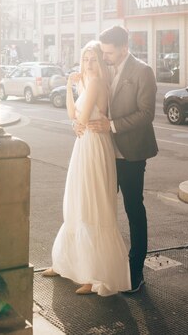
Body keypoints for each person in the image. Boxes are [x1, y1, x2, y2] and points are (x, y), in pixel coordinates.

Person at [42, 41, 131, 296]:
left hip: (93, 146)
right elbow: (73, 116)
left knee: (91, 205)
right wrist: (71, 88)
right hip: (85, 144)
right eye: (85, 59)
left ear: (100, 62)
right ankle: (65, 264)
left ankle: (93, 276)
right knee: (78, 202)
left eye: (93, 59)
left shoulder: (95, 84)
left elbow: (79, 119)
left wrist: (75, 119)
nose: (88, 64)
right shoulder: (86, 83)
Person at [86, 25, 158, 293]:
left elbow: (146, 113)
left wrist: (112, 126)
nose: (105, 57)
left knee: (133, 209)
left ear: (124, 48)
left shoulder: (143, 71)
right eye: (102, 51)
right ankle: (101, 265)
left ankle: (135, 268)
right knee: (100, 208)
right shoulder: (104, 68)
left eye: (109, 52)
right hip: (103, 152)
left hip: (131, 154)